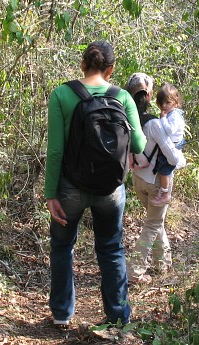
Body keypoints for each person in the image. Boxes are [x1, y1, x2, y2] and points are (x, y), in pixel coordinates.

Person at [44, 41, 146, 327]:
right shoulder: (123, 97)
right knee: (111, 248)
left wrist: (51, 193)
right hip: (111, 191)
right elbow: (138, 144)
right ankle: (117, 316)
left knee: (62, 248)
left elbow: (55, 151)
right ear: (111, 69)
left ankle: (62, 315)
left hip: (69, 188)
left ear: (82, 64)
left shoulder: (62, 94)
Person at [124, 73, 186, 284]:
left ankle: (164, 264)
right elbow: (169, 155)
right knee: (152, 224)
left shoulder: (125, 119)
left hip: (137, 180)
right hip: (155, 182)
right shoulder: (154, 123)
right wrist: (181, 159)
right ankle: (134, 271)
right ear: (149, 95)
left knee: (155, 221)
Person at [150, 84, 186, 206]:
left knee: (163, 169)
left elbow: (169, 130)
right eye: (161, 103)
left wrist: (163, 119)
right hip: (173, 142)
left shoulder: (174, 115)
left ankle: (165, 193)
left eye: (168, 102)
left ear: (175, 102)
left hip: (174, 144)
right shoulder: (172, 113)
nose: (164, 106)